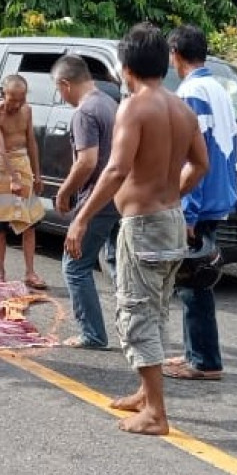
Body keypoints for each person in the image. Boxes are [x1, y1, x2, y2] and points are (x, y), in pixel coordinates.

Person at [66, 23, 208, 436]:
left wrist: (82, 216)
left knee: (135, 313)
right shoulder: (182, 108)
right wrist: (171, 197)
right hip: (171, 221)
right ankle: (146, 393)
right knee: (156, 309)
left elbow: (116, 168)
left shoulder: (134, 106)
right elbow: (201, 165)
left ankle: (157, 413)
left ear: (125, 67)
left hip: (144, 225)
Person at [161, 25, 237, 381]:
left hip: (199, 201)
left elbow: (192, 158)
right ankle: (198, 353)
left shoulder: (190, 92)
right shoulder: (218, 90)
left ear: (175, 53)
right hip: (219, 195)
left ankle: (205, 361)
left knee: (193, 281)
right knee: (198, 279)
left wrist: (187, 212)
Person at [52, 54, 120, 349]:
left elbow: (87, 162)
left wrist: (64, 192)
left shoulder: (85, 112)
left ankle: (92, 334)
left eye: (58, 88)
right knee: (117, 266)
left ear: (65, 84)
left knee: (75, 266)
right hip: (118, 198)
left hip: (97, 200)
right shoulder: (108, 103)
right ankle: (133, 328)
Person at [0, 74, 47, 288]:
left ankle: (30, 272)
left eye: (21, 99)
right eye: (12, 99)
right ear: (4, 94)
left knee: (29, 223)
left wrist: (37, 174)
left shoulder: (27, 111)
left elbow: (31, 141)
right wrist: (13, 178)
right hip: (1, 168)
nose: (16, 104)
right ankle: (0, 273)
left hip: (22, 163)